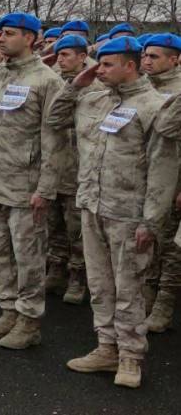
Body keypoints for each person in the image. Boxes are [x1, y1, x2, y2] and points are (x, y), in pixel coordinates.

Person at [47, 36, 176, 389]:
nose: (98, 69)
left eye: (106, 64)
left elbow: (163, 168)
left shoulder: (155, 105)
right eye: (97, 63)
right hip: (91, 205)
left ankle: (131, 357)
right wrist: (76, 84)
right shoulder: (93, 99)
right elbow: (55, 118)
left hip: (129, 213)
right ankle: (106, 348)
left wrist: (151, 219)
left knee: (129, 287)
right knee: (100, 284)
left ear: (130, 66)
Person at [0, 13, 64, 350]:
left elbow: (54, 140)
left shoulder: (46, 81)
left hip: (25, 185)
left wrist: (46, 189)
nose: (1, 39)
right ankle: (7, 311)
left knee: (29, 256)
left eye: (8, 34)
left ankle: (29, 320)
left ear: (31, 38)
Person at [43, 35, 101, 306]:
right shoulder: (56, 82)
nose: (60, 59)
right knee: (53, 224)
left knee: (76, 229)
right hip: (54, 165)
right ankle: (55, 269)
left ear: (82, 56)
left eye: (65, 55)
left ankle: (77, 276)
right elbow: (50, 121)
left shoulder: (97, 88)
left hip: (80, 168)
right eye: (58, 55)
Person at [140, 33, 181, 333]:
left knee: (172, 248)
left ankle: (164, 305)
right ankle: (147, 295)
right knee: (150, 240)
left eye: (155, 56)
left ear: (175, 59)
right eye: (145, 55)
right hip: (144, 177)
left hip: (174, 181)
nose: (147, 60)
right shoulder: (140, 87)